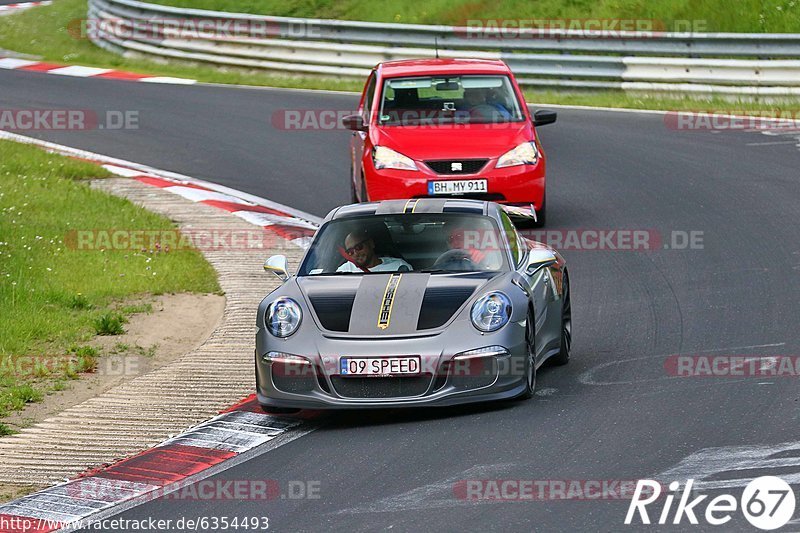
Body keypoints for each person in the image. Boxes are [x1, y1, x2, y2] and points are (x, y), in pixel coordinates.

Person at [336, 230, 412, 273]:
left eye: (359, 247)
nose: (356, 253)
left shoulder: (399, 267)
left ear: (371, 243)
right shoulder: (343, 271)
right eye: (350, 251)